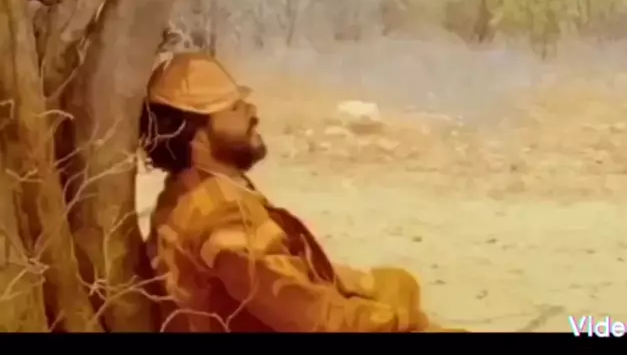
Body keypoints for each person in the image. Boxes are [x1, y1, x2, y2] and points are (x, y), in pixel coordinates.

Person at [140, 52, 465, 332]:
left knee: (396, 284)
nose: (253, 112)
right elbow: (311, 318)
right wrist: (400, 319)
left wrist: (370, 288)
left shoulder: (188, 192)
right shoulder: (221, 216)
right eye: (235, 109)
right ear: (198, 136)